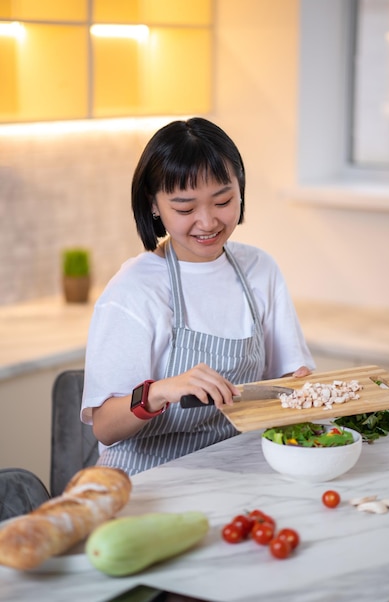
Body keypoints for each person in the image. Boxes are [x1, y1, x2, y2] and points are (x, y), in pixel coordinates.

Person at [81, 117, 315, 475]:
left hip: (235, 468)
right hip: (144, 480)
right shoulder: (134, 289)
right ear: (154, 205)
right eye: (185, 209)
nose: (207, 222)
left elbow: (284, 384)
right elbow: (105, 427)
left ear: (241, 190)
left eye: (222, 201)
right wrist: (159, 391)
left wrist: (300, 387)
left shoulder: (259, 269)